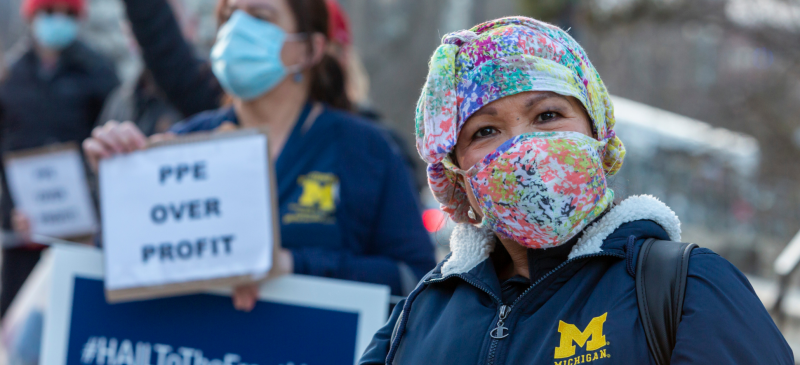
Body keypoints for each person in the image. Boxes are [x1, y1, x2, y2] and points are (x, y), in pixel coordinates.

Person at [359, 17, 793, 364]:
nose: (524, 147)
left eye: (547, 115)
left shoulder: (686, 288)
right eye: (486, 130)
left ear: (597, 131)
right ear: (457, 175)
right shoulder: (422, 314)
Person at [82, 0, 436, 311]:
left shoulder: (366, 150)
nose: (239, 28)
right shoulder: (186, 141)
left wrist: (291, 264)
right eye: (231, 14)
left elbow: (414, 279)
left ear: (309, 50)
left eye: (260, 16)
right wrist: (123, 185)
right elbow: (119, 266)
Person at [0, 0, 119, 317]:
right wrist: (11, 208)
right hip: (19, 230)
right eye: (49, 11)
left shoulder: (99, 72)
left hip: (77, 232)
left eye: (69, 14)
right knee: (16, 324)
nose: (58, 21)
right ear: (33, 15)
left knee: (69, 318)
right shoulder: (9, 73)